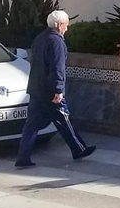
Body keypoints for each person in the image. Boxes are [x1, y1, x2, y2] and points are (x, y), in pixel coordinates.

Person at [16, 9, 95, 168]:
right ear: (59, 25)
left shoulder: (40, 39)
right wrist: (58, 90)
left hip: (36, 88)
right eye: (66, 25)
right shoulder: (57, 41)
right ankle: (79, 149)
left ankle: (23, 157)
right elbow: (57, 67)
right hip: (50, 90)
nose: (67, 28)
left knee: (32, 124)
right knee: (64, 119)